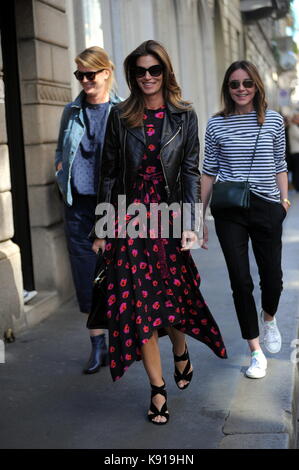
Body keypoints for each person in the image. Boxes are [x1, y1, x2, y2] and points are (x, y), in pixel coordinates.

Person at [91, 40, 227, 425]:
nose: (148, 77)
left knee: (173, 298)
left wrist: (191, 224)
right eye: (140, 71)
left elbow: (189, 171)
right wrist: (102, 228)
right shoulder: (120, 115)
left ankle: (180, 349)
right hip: (130, 219)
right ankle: (157, 389)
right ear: (132, 76)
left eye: (155, 70)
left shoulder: (184, 116)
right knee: (140, 305)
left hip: (167, 218)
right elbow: (110, 171)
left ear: (165, 72)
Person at [201, 60, 290, 380]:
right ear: (227, 89)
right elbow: (209, 170)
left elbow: (280, 163)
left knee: (273, 280)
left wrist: (283, 201)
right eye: (234, 84)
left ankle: (268, 319)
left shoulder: (274, 122)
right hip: (229, 211)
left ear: (257, 86)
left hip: (267, 207)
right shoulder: (216, 125)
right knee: (240, 281)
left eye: (247, 83)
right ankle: (255, 351)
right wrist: (199, 217)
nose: (241, 89)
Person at [54, 46, 122, 374]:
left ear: (106, 72)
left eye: (89, 74)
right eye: (79, 75)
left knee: (117, 275)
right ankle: (98, 346)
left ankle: (124, 341)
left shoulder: (123, 112)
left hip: (112, 206)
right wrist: (59, 171)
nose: (84, 80)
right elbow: (60, 149)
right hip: (78, 204)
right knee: (85, 277)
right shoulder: (71, 111)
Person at [287, 112, 299, 191]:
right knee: (297, 171)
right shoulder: (293, 127)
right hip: (296, 152)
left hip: (295, 152)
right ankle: (297, 186)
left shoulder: (294, 127)